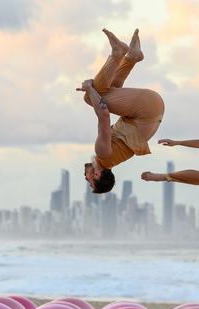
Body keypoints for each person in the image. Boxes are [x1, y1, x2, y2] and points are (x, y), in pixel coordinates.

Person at [77, 28, 165, 193]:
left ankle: (132, 57)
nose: (86, 179)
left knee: (108, 89)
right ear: (97, 174)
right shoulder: (103, 153)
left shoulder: (113, 158)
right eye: (90, 183)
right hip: (146, 108)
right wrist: (89, 88)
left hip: (151, 109)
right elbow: (103, 114)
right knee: (90, 97)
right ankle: (118, 53)